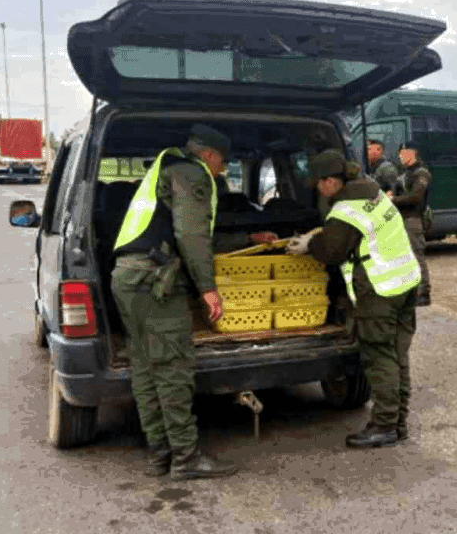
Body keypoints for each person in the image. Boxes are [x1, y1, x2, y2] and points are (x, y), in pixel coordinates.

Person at [111, 124, 279, 480]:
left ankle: (160, 454)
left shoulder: (167, 170)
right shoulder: (192, 174)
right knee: (172, 370)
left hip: (128, 278)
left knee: (146, 369)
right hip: (154, 282)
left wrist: (248, 236)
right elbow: (191, 235)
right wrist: (208, 288)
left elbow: (192, 235)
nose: (222, 170)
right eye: (223, 162)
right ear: (209, 156)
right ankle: (185, 459)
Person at [287, 149, 421, 448]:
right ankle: (398, 423)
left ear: (331, 181)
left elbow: (333, 251)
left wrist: (310, 245)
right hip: (406, 281)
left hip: (380, 291)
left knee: (379, 357)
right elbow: (356, 233)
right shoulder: (372, 191)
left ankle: (384, 426)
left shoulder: (345, 209)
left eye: (318, 184)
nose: (318, 191)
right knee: (398, 356)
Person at [389, 142, 433, 306]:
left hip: (413, 220)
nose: (400, 157)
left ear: (410, 153)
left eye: (402, 153)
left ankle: (424, 293)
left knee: (416, 256)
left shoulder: (421, 173)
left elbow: (416, 197)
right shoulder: (406, 172)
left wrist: (393, 199)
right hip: (403, 219)